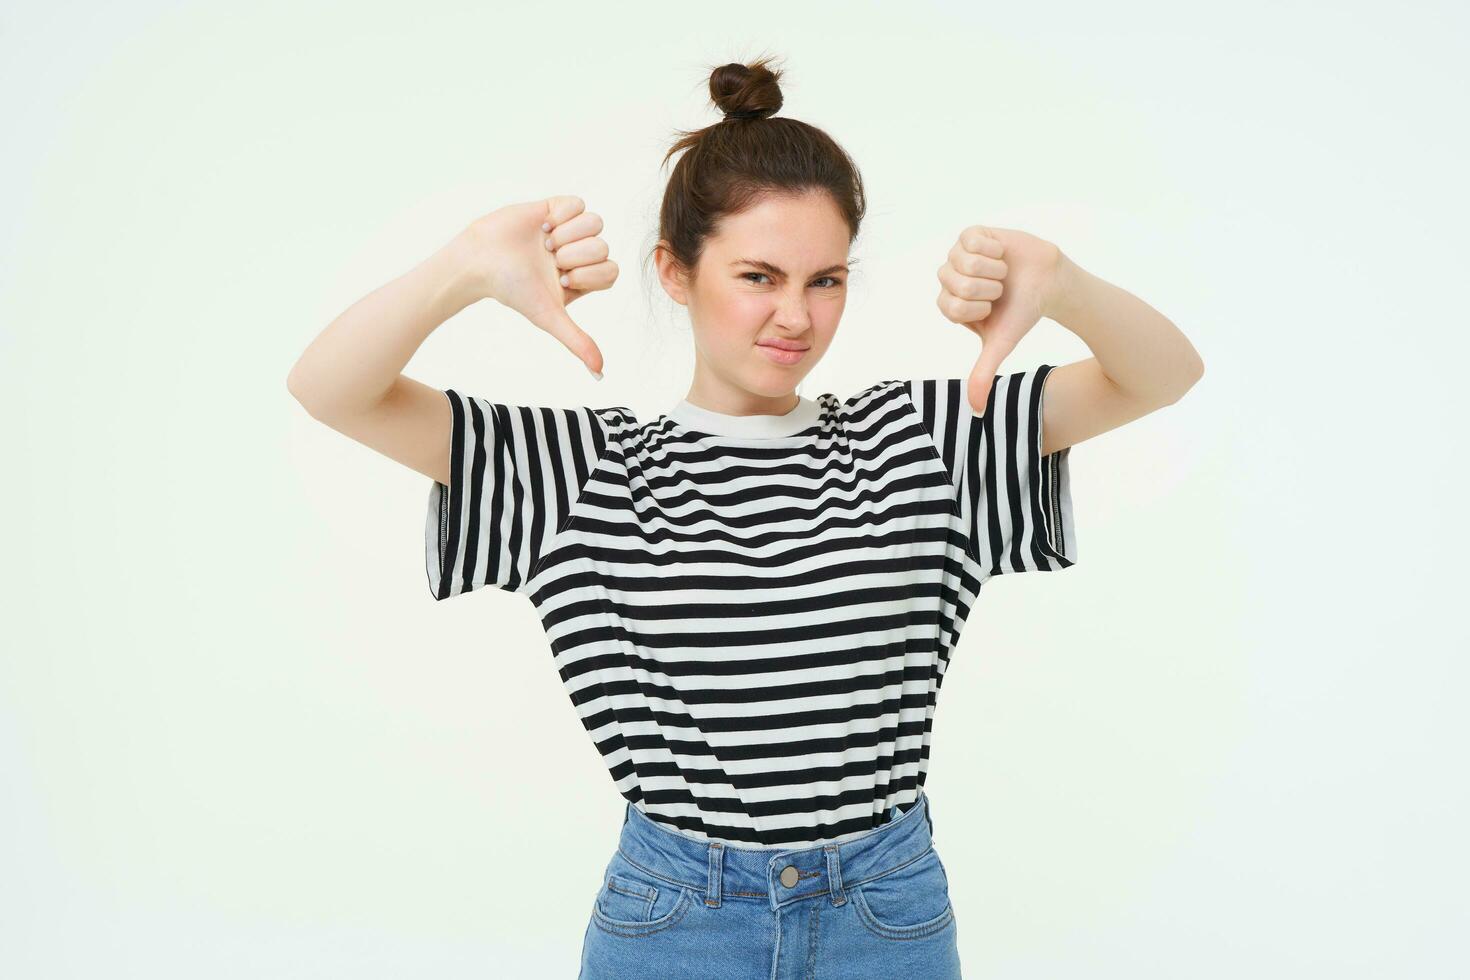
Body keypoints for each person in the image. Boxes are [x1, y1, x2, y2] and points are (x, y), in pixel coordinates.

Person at [288, 55, 1203, 980]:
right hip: (678, 919)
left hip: (884, 914)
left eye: (826, 279)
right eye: (759, 276)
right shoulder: (580, 472)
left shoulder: (923, 440)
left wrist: (1062, 283)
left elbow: (1163, 376)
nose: (796, 317)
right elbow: (331, 390)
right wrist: (465, 267)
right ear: (675, 273)